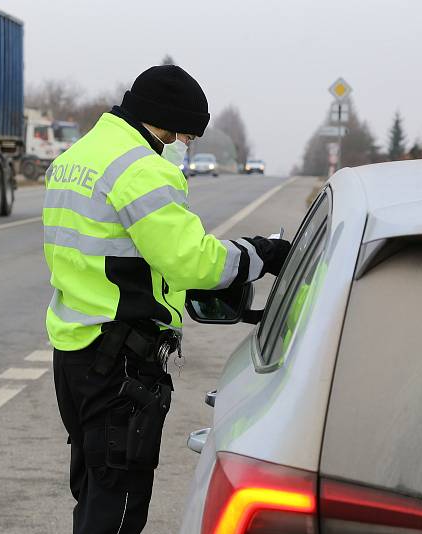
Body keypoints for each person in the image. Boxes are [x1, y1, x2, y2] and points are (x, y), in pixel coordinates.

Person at [42, 64, 290, 534]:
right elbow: (194, 263)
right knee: (117, 506)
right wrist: (262, 254)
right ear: (163, 122)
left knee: (95, 492)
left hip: (74, 355)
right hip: (121, 363)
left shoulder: (80, 155)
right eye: (182, 137)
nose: (182, 147)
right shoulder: (141, 168)